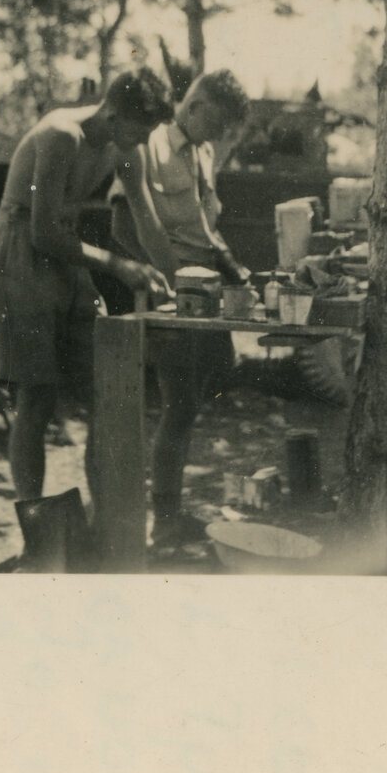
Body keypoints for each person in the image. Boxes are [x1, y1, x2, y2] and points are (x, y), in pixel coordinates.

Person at [0, 69, 173, 516]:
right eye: (141, 129)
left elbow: (148, 222)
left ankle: (106, 518)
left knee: (103, 392)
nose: (144, 140)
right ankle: (35, 526)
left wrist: (175, 279)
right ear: (112, 113)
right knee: (36, 398)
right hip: (21, 255)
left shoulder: (127, 151)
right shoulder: (60, 137)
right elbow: (43, 233)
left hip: (64, 255)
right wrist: (119, 265)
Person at [110, 69, 252, 549]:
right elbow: (123, 227)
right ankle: (164, 517)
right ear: (195, 106)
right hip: (171, 293)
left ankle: (170, 509)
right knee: (178, 404)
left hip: (207, 293)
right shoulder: (148, 148)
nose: (220, 133)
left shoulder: (205, 153)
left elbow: (206, 230)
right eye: (218, 121)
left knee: (194, 402)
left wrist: (235, 269)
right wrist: (162, 281)